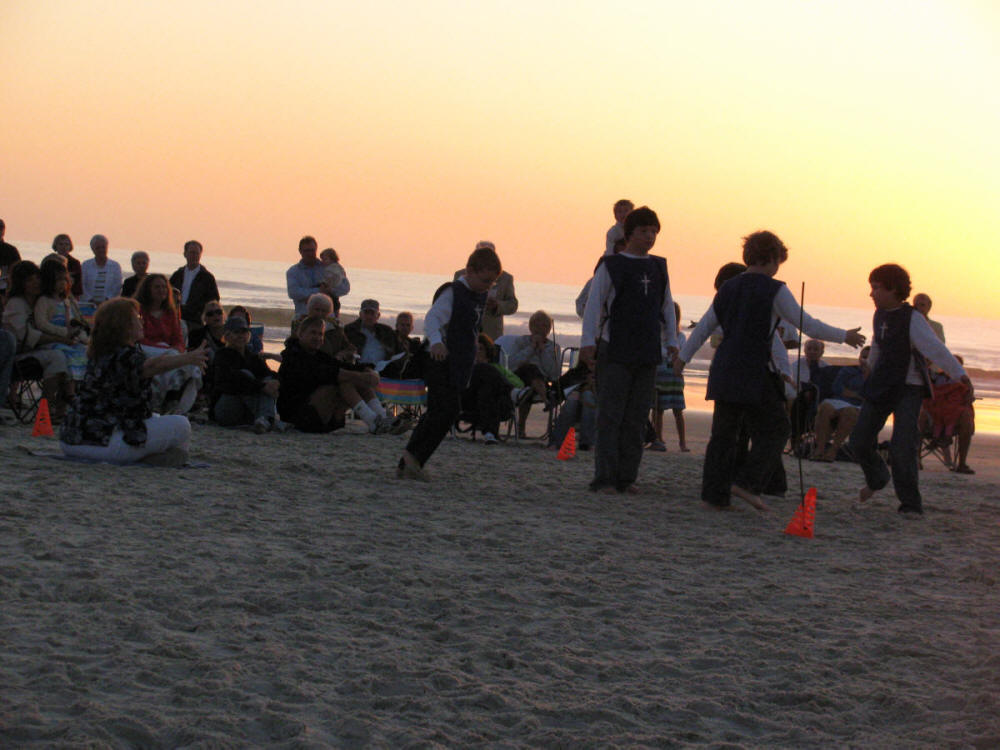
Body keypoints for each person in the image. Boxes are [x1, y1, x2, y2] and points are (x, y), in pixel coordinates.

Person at [675, 230, 865, 512]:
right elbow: (806, 323)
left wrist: (682, 360)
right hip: (754, 369)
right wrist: (844, 336)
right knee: (777, 428)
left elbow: (703, 327)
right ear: (773, 259)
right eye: (778, 262)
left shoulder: (728, 287)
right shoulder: (774, 289)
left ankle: (714, 496)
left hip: (725, 367)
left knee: (723, 435)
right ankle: (748, 483)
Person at [850, 264, 971, 515]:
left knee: (903, 447)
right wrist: (869, 366)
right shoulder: (879, 314)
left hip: (908, 388)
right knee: (859, 440)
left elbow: (935, 349)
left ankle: (910, 504)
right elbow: (878, 344)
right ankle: (878, 477)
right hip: (881, 384)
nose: (871, 294)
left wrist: (960, 375)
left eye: (876, 288)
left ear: (893, 289)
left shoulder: (912, 318)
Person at [580, 206, 677, 494]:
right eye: (644, 231)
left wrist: (672, 340)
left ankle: (626, 477)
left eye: (654, 232)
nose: (650, 237)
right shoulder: (611, 265)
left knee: (636, 417)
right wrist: (588, 341)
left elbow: (666, 306)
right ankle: (605, 478)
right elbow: (594, 304)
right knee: (611, 415)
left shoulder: (658, 266)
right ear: (629, 233)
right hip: (616, 347)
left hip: (647, 350)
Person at [60, 297, 208, 465]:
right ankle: (169, 460)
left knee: (156, 417)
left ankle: (162, 458)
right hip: (103, 443)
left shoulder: (101, 353)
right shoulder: (124, 355)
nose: (142, 321)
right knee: (181, 425)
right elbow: (152, 366)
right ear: (124, 326)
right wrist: (188, 358)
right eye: (137, 317)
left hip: (70, 440)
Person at [399, 244, 502, 480]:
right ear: (470, 271)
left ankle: (411, 460)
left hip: (459, 363)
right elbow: (432, 319)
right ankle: (412, 460)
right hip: (439, 359)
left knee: (444, 411)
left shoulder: (479, 295)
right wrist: (436, 342)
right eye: (485, 280)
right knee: (443, 410)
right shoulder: (453, 292)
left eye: (492, 283)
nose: (488, 286)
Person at [277, 315, 389, 433]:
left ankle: (383, 418)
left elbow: (342, 366)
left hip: (321, 415)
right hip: (298, 417)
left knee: (358, 379)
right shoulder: (293, 356)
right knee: (345, 381)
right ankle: (373, 421)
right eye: (313, 333)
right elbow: (329, 373)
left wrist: (369, 371)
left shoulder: (318, 355)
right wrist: (361, 376)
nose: (317, 337)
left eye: (320, 334)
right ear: (300, 334)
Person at [2, 261, 73, 418]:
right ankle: (47, 408)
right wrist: (61, 338)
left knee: (68, 354)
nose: (36, 283)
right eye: (30, 280)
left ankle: (59, 408)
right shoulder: (16, 304)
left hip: (37, 351)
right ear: (21, 284)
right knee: (57, 356)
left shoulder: (41, 301)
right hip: (19, 356)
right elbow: (27, 336)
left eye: (37, 278)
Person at [135, 273, 202, 414]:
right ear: (148, 289)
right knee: (173, 357)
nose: (162, 290)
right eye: (157, 287)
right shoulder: (139, 310)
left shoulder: (170, 313)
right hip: (144, 350)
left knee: (192, 366)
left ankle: (175, 400)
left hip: (168, 352)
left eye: (164, 287)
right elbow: (137, 337)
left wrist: (177, 351)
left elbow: (178, 339)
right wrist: (167, 350)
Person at [210, 316, 287, 433]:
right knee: (245, 375)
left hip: (246, 410)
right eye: (236, 332)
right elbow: (233, 381)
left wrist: (276, 381)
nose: (241, 336)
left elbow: (267, 373)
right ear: (227, 336)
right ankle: (267, 418)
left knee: (268, 379)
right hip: (226, 408)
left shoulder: (251, 356)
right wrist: (261, 386)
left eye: (244, 332)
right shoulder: (222, 355)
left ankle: (264, 419)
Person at [504, 310, 561, 438]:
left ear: (549, 329)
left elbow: (553, 373)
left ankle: (521, 426)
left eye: (544, 326)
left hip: (541, 380)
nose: (540, 329)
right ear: (531, 327)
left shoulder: (553, 347)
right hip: (520, 376)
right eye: (537, 325)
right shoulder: (521, 341)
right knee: (530, 368)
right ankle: (546, 400)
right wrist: (531, 348)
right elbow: (512, 364)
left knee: (530, 384)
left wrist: (542, 351)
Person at [809, 346, 870, 462]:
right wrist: (857, 395)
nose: (865, 360)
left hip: (858, 406)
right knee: (825, 407)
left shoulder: (876, 376)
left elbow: (871, 395)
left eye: (868, 358)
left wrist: (866, 375)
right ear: (859, 357)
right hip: (839, 400)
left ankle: (833, 450)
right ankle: (820, 448)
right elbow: (837, 388)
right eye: (863, 357)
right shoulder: (848, 370)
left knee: (849, 412)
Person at [34, 258, 90, 382]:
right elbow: (41, 323)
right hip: (53, 341)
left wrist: (82, 336)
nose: (62, 283)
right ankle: (69, 389)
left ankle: (77, 386)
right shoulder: (44, 301)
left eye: (64, 279)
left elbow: (74, 321)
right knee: (68, 356)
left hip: (70, 340)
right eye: (58, 280)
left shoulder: (67, 301)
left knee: (85, 352)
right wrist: (63, 332)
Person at [461, 334, 521, 444]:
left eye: (481, 349)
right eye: (475, 348)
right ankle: (512, 392)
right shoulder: (464, 367)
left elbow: (519, 383)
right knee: (483, 370)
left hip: (493, 403)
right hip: (469, 401)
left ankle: (490, 434)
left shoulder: (497, 368)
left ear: (487, 352)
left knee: (487, 389)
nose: (477, 352)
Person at [452, 241, 517, 340]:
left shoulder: (505, 278)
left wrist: (497, 306)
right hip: (465, 330)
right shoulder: (461, 274)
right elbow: (453, 301)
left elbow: (513, 305)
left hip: (491, 333)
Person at [287, 236, 350, 328]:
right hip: (303, 319)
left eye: (312, 250)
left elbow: (345, 288)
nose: (310, 254)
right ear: (300, 251)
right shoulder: (293, 271)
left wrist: (330, 290)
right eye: (306, 251)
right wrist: (318, 291)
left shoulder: (327, 266)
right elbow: (293, 292)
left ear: (316, 250)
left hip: (328, 321)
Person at [651, 301, 689, 452]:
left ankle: (682, 442)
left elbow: (682, 354)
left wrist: (674, 355)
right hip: (660, 374)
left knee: (678, 410)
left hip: (674, 377)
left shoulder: (680, 336)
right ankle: (658, 437)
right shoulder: (658, 335)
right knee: (657, 409)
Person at [169, 240, 220, 334]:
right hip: (175, 317)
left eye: (197, 253)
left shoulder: (207, 277)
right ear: (185, 254)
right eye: (192, 252)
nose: (194, 256)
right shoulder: (177, 274)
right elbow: (168, 293)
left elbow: (214, 300)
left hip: (195, 321)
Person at [343, 299, 404, 373]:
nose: (369, 316)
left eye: (372, 313)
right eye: (366, 313)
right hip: (358, 370)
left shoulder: (387, 331)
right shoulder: (349, 330)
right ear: (360, 314)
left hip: (383, 371)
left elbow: (401, 352)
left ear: (378, 316)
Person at [80, 234, 123, 305]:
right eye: (98, 248)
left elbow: (117, 286)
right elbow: (82, 285)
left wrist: (107, 300)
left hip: (109, 305)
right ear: (92, 249)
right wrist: (90, 300)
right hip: (88, 304)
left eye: (103, 247)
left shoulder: (115, 266)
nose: (101, 250)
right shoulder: (86, 265)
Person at [318, 247, 350, 317]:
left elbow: (332, 278)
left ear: (332, 259)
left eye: (325, 259)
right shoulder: (335, 267)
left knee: (334, 308)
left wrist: (325, 284)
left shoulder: (333, 268)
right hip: (331, 295)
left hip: (332, 294)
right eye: (322, 259)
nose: (323, 262)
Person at [52, 234, 83, 298]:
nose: (64, 247)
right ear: (56, 246)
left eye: (66, 244)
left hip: (71, 296)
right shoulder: (50, 261)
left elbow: (78, 285)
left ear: (70, 246)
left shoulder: (75, 263)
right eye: (61, 244)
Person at [0, 218, 21, 301]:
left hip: (5, 289)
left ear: (3, 232)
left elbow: (18, 270)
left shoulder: (11, 251)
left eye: (1, 229)